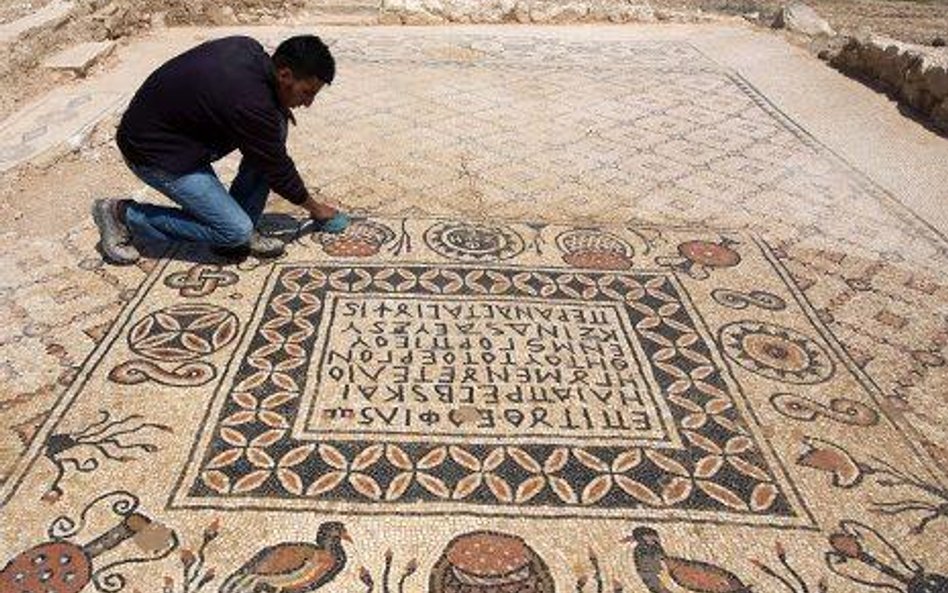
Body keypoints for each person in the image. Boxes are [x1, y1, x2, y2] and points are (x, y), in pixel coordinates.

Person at [93, 34, 349, 264]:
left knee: (275, 128)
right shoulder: (251, 103)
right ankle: (122, 215)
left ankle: (238, 226)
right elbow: (278, 169)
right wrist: (316, 210)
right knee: (234, 231)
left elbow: (268, 152)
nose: (308, 103)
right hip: (154, 152)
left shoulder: (248, 48)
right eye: (306, 93)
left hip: (182, 138)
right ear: (284, 75)